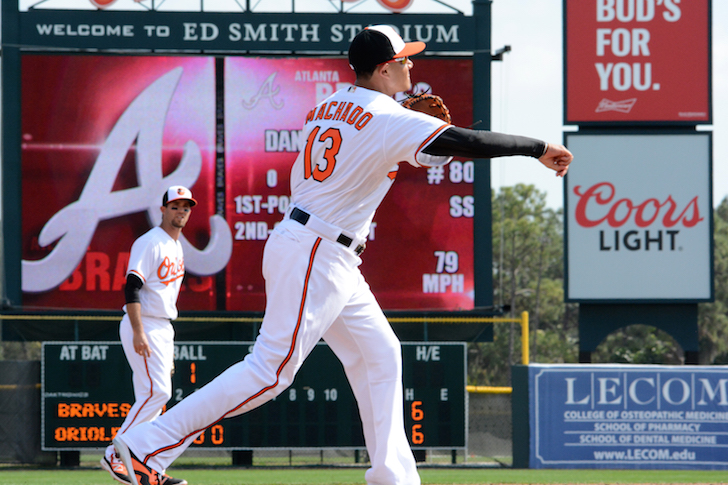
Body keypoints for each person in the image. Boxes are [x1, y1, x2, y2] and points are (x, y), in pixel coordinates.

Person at [112, 25, 572, 485]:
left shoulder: (331, 104)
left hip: (321, 248)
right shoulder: (390, 118)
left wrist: (426, 140)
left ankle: (394, 477)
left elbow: (403, 150)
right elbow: (467, 143)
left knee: (381, 355)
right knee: (268, 371)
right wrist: (538, 147)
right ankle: (142, 447)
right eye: (405, 58)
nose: (412, 64)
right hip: (318, 251)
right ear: (386, 67)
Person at [101, 186, 196, 485]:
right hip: (143, 324)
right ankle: (115, 455)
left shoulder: (177, 245)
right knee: (158, 393)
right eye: (175, 206)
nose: (180, 212)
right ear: (163, 209)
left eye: (186, 207)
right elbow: (132, 286)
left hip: (163, 326)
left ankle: (145, 464)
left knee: (153, 396)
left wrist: (165, 340)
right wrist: (139, 332)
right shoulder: (150, 242)